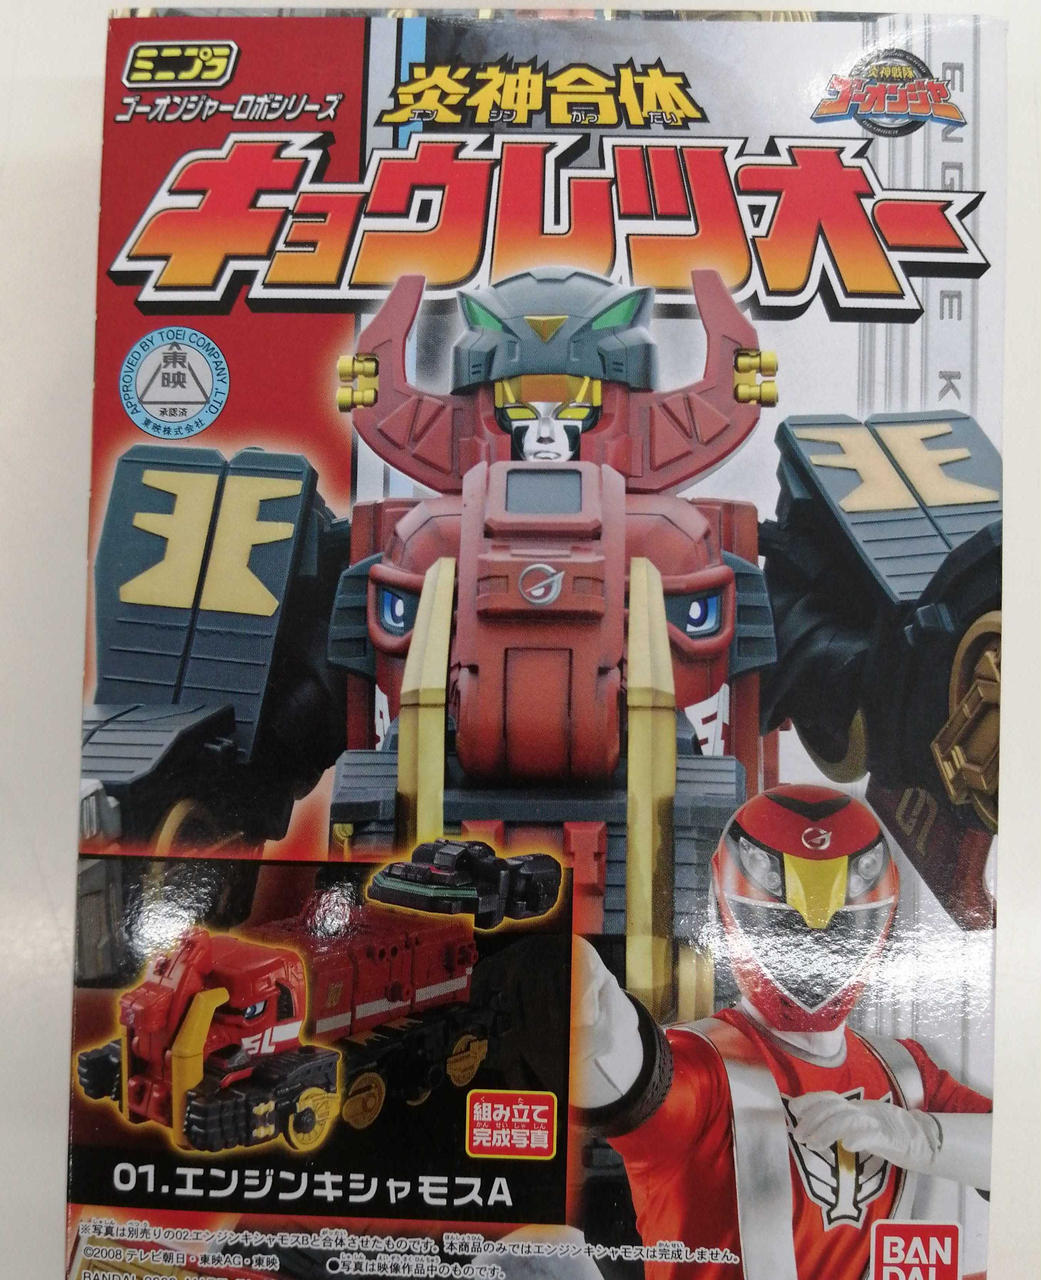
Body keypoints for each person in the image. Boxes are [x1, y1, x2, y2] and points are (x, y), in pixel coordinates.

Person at [573, 784, 991, 1280]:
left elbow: (1025, 1156)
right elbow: (638, 1082)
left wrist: (915, 1135)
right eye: (787, 930)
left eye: (841, 931)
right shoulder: (704, 1067)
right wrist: (591, 1020)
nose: (816, 957)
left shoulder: (907, 1072)